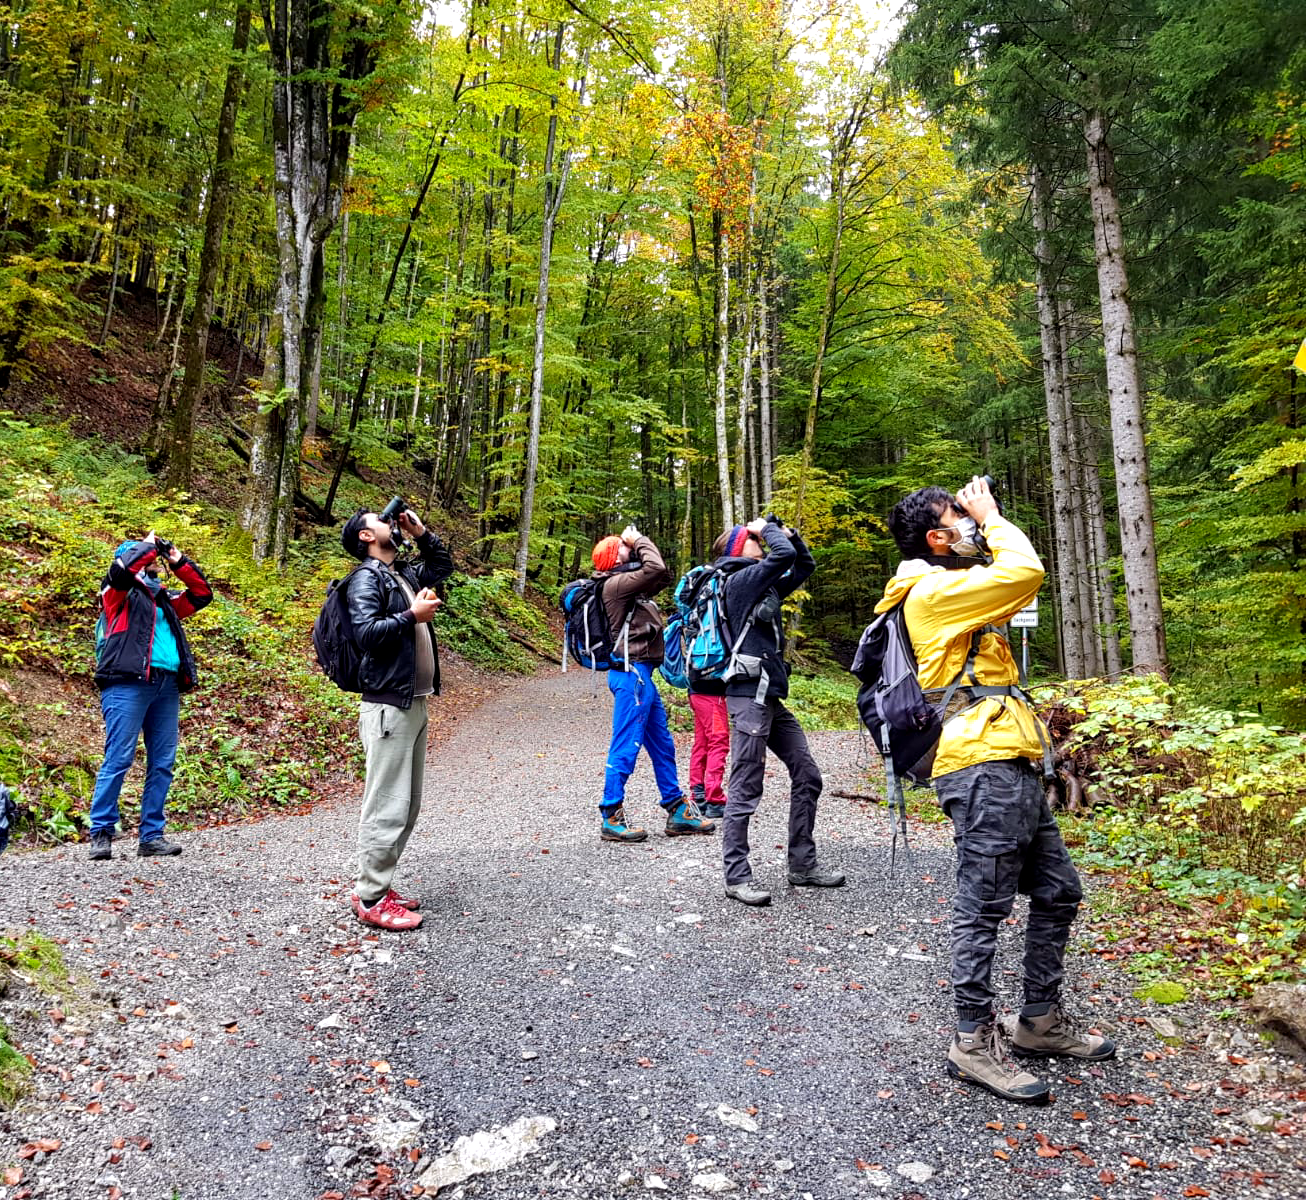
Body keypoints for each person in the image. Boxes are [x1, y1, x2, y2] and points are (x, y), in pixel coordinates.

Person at [880, 476, 1115, 1105]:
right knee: (983, 902)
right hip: (979, 762)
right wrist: (995, 517)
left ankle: (1036, 1023)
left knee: (1059, 892)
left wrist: (979, 533)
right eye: (959, 515)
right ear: (937, 536)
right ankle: (972, 1041)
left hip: (1009, 759)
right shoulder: (930, 589)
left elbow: (1006, 583)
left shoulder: (954, 587)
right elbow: (1025, 571)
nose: (973, 521)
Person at [715, 517, 841, 906]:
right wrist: (767, 528)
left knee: (807, 774)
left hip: (769, 696)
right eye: (754, 540)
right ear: (739, 548)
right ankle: (736, 877)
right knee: (745, 788)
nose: (761, 544)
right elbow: (782, 554)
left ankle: (802, 864)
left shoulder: (761, 584)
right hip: (747, 697)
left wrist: (793, 536)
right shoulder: (738, 583)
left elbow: (802, 565)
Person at [341, 505, 454, 931]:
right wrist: (412, 616)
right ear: (366, 537)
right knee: (387, 805)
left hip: (412, 701)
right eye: (379, 521)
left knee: (407, 805)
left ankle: (379, 883)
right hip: (388, 704)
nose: (389, 524)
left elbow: (441, 566)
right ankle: (370, 897)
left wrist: (421, 532)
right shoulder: (366, 578)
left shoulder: (399, 574)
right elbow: (366, 632)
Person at [88, 533, 212, 860]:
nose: (150, 559)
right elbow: (122, 572)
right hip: (126, 684)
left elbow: (202, 594)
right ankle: (101, 832)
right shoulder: (116, 595)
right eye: (143, 556)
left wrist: (174, 555)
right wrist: (145, 545)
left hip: (166, 686)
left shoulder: (164, 600)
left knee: (163, 762)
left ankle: (151, 836)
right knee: (119, 757)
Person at [591, 524, 715, 844]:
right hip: (631, 676)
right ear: (613, 559)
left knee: (662, 744)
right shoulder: (616, 585)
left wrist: (637, 545)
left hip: (642, 676)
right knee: (627, 744)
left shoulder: (630, 587)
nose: (627, 547)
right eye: (621, 546)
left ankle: (676, 810)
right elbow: (655, 566)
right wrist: (638, 539)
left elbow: (661, 574)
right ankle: (611, 814)